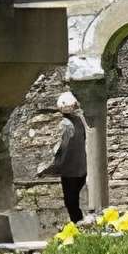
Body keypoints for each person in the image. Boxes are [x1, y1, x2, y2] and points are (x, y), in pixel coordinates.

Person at [42, 90, 89, 225]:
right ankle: (81, 225)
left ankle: (79, 228)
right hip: (81, 169)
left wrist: (50, 167)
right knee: (76, 201)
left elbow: (61, 148)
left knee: (71, 203)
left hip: (70, 171)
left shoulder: (65, 124)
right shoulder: (79, 121)